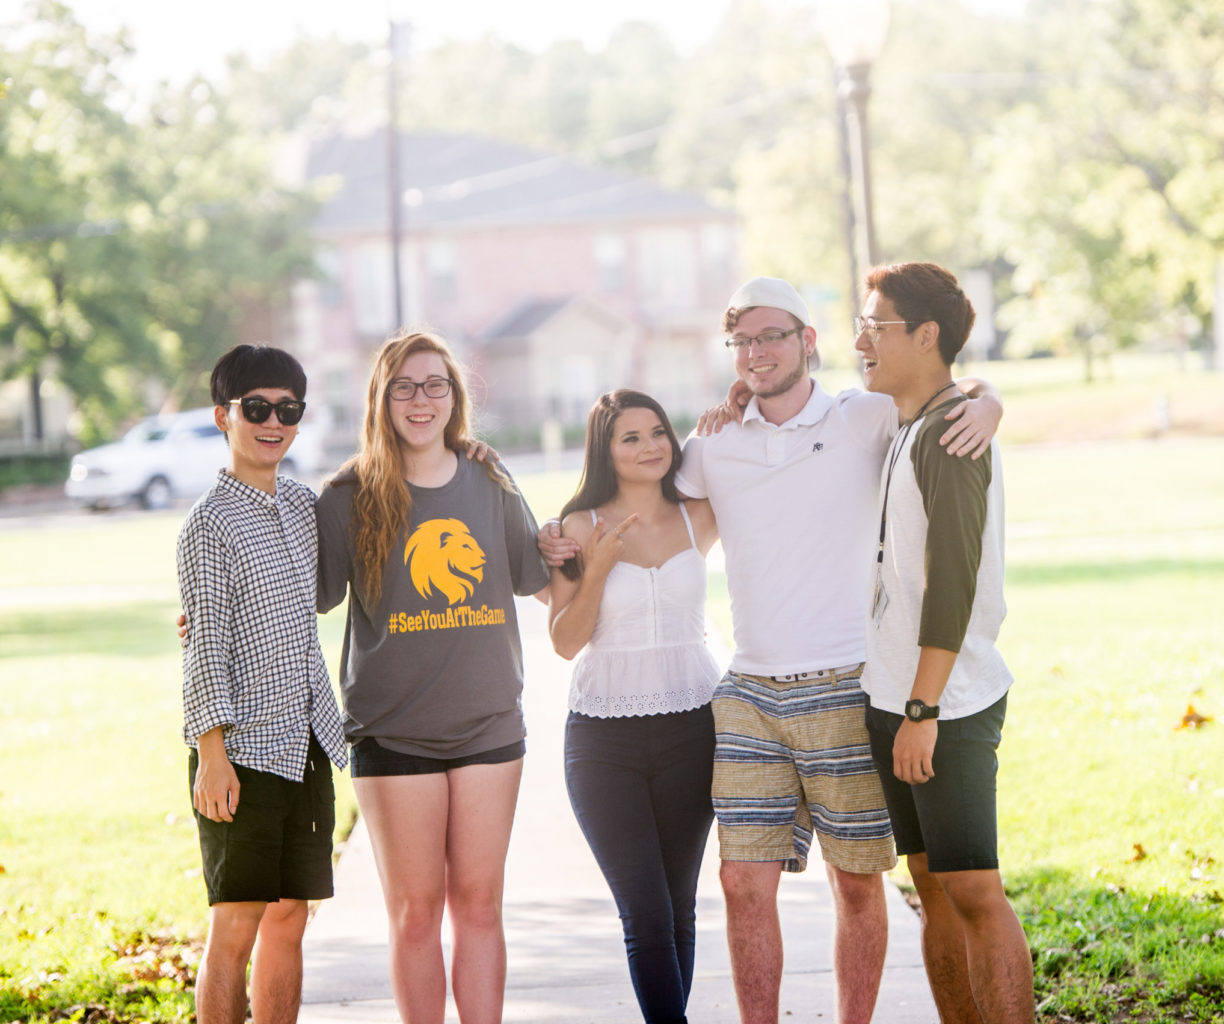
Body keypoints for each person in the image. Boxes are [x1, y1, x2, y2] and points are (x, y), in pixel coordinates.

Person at [650, 276, 1000, 1024]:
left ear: (809, 341)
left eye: (773, 336)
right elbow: (651, 508)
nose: (757, 353)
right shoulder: (712, 442)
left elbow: (947, 385)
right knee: (742, 882)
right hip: (749, 688)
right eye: (742, 341)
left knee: (856, 881)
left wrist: (988, 398)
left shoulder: (862, 417)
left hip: (849, 683)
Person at [314, 329, 549, 1024]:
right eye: (405, 387)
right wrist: (209, 610)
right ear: (381, 400)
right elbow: (304, 594)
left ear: (455, 397)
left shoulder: (489, 477)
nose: (421, 400)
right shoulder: (350, 493)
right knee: (416, 914)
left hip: (487, 725)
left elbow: (539, 573)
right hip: (393, 733)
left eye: (435, 385)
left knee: (480, 906)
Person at [854, 262, 1032, 1023]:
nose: (860, 338)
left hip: (944, 703)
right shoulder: (910, 422)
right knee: (929, 885)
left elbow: (954, 582)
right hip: (893, 695)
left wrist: (923, 708)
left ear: (926, 337)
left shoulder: (950, 435)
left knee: (973, 888)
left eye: (876, 324)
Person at [177, 344, 347, 1024]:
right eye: (257, 409)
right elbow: (204, 649)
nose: (273, 422)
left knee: (290, 920)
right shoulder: (208, 525)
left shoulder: (306, 507)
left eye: (288, 410)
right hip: (239, 754)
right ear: (224, 416)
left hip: (303, 744)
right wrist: (210, 753)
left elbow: (379, 488)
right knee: (236, 925)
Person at [548, 390, 721, 1024]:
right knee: (644, 913)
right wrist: (598, 568)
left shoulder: (700, 513)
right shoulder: (576, 526)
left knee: (679, 908)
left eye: (658, 433)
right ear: (606, 451)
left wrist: (730, 416)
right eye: (631, 438)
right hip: (603, 741)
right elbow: (566, 643)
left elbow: (752, 461)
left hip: (694, 726)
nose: (650, 446)